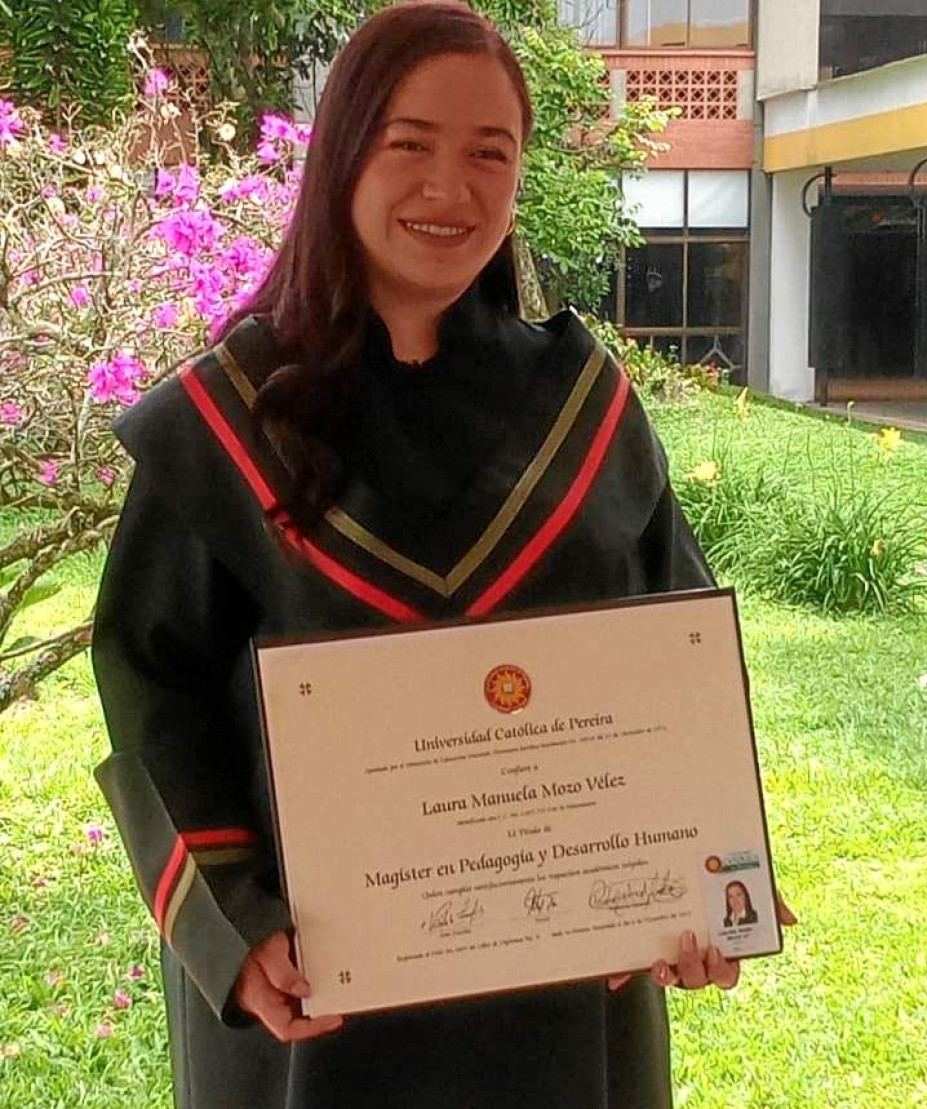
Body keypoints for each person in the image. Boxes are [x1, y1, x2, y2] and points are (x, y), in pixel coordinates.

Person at [92, 4, 793, 1106]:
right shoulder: (226, 426)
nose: (449, 189)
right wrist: (236, 918)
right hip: (323, 995)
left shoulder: (584, 408)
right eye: (408, 143)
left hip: (563, 996)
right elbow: (151, 682)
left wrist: (708, 883)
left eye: (489, 153)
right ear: (340, 158)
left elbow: (681, 650)